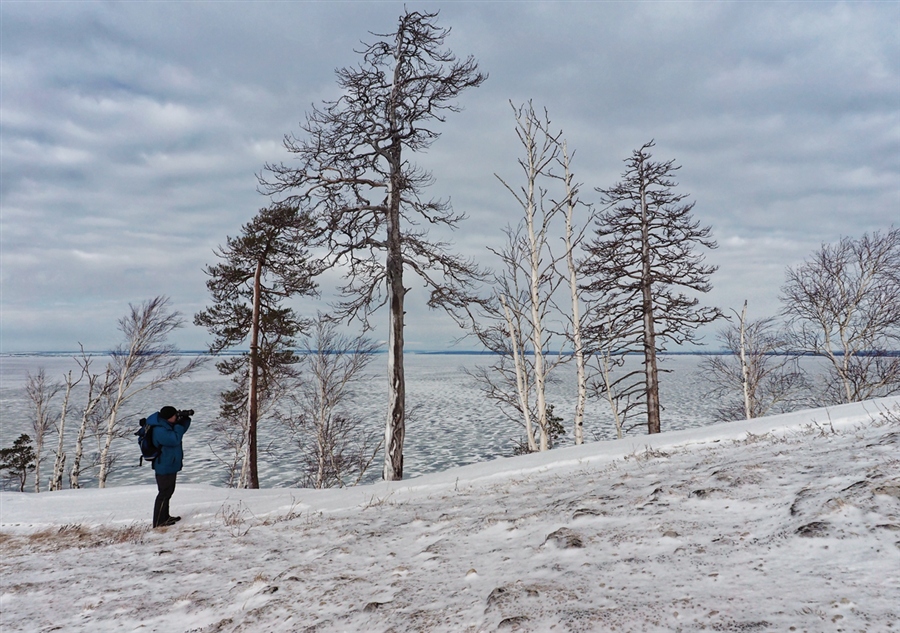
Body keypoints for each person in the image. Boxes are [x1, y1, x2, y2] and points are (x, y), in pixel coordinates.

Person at [146, 405, 191, 528]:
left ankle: (165, 517)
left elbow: (182, 430)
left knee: (168, 492)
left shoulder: (167, 425)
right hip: (163, 465)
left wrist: (185, 419)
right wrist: (178, 425)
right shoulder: (159, 429)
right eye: (175, 416)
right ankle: (158, 522)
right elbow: (175, 439)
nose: (176, 417)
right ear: (169, 417)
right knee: (163, 493)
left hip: (170, 464)